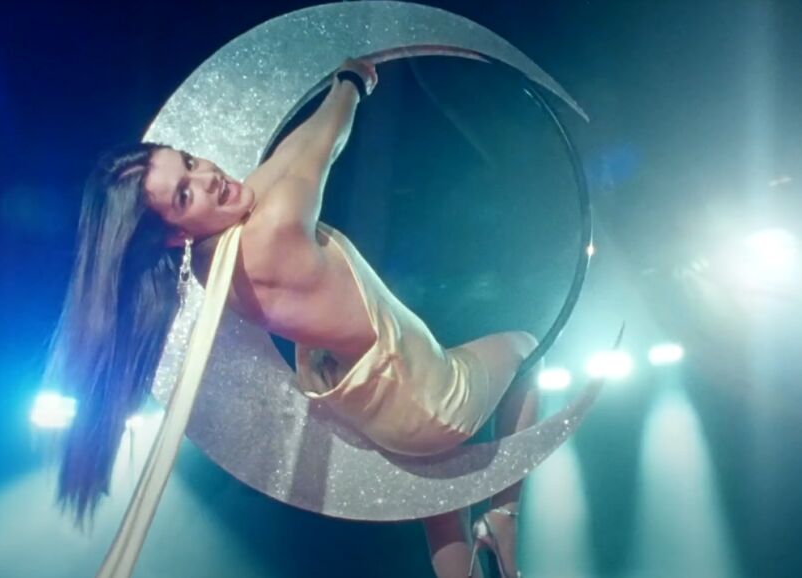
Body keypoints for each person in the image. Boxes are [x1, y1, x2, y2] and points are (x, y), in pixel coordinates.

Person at [44, 58, 540, 578]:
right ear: (174, 235)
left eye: (189, 161)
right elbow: (321, 143)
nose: (209, 177)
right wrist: (353, 83)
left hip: (378, 410)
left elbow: (284, 158)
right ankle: (504, 515)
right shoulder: (274, 227)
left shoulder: (214, 260)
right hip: (426, 395)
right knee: (526, 348)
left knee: (443, 502)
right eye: (185, 194)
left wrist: (341, 85)